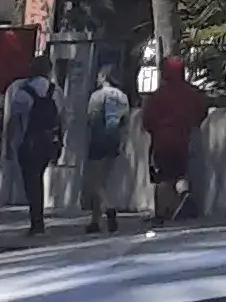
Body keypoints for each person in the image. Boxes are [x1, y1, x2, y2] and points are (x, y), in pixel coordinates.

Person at [141, 54, 209, 224]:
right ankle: (184, 195)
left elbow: (147, 120)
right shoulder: (192, 93)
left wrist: (155, 130)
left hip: (162, 141)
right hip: (184, 139)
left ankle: (161, 213)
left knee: (163, 177)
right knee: (180, 172)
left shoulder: (158, 96)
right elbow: (202, 112)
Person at [4, 53, 64, 237]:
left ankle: (36, 221)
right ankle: (38, 219)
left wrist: (8, 145)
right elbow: (63, 118)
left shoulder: (22, 91)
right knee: (37, 177)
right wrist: (60, 142)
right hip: (48, 142)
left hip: (28, 142)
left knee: (31, 181)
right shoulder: (56, 91)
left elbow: (14, 121)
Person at [82, 60, 132, 234]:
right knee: (104, 180)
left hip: (98, 140)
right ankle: (95, 221)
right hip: (114, 140)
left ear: (103, 77)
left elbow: (91, 118)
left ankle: (109, 209)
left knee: (94, 182)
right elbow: (126, 121)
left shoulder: (96, 96)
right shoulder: (122, 96)